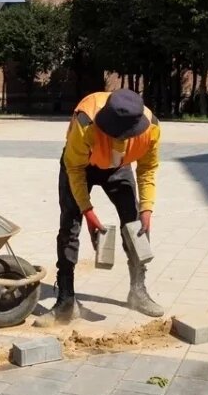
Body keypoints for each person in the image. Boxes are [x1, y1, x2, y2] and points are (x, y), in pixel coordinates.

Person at [36, 88, 164, 326]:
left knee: (136, 224)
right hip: (80, 167)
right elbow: (74, 169)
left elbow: (147, 169)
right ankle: (66, 300)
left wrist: (147, 208)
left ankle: (138, 290)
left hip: (119, 168)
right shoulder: (85, 122)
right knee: (69, 227)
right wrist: (88, 212)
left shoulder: (151, 128)